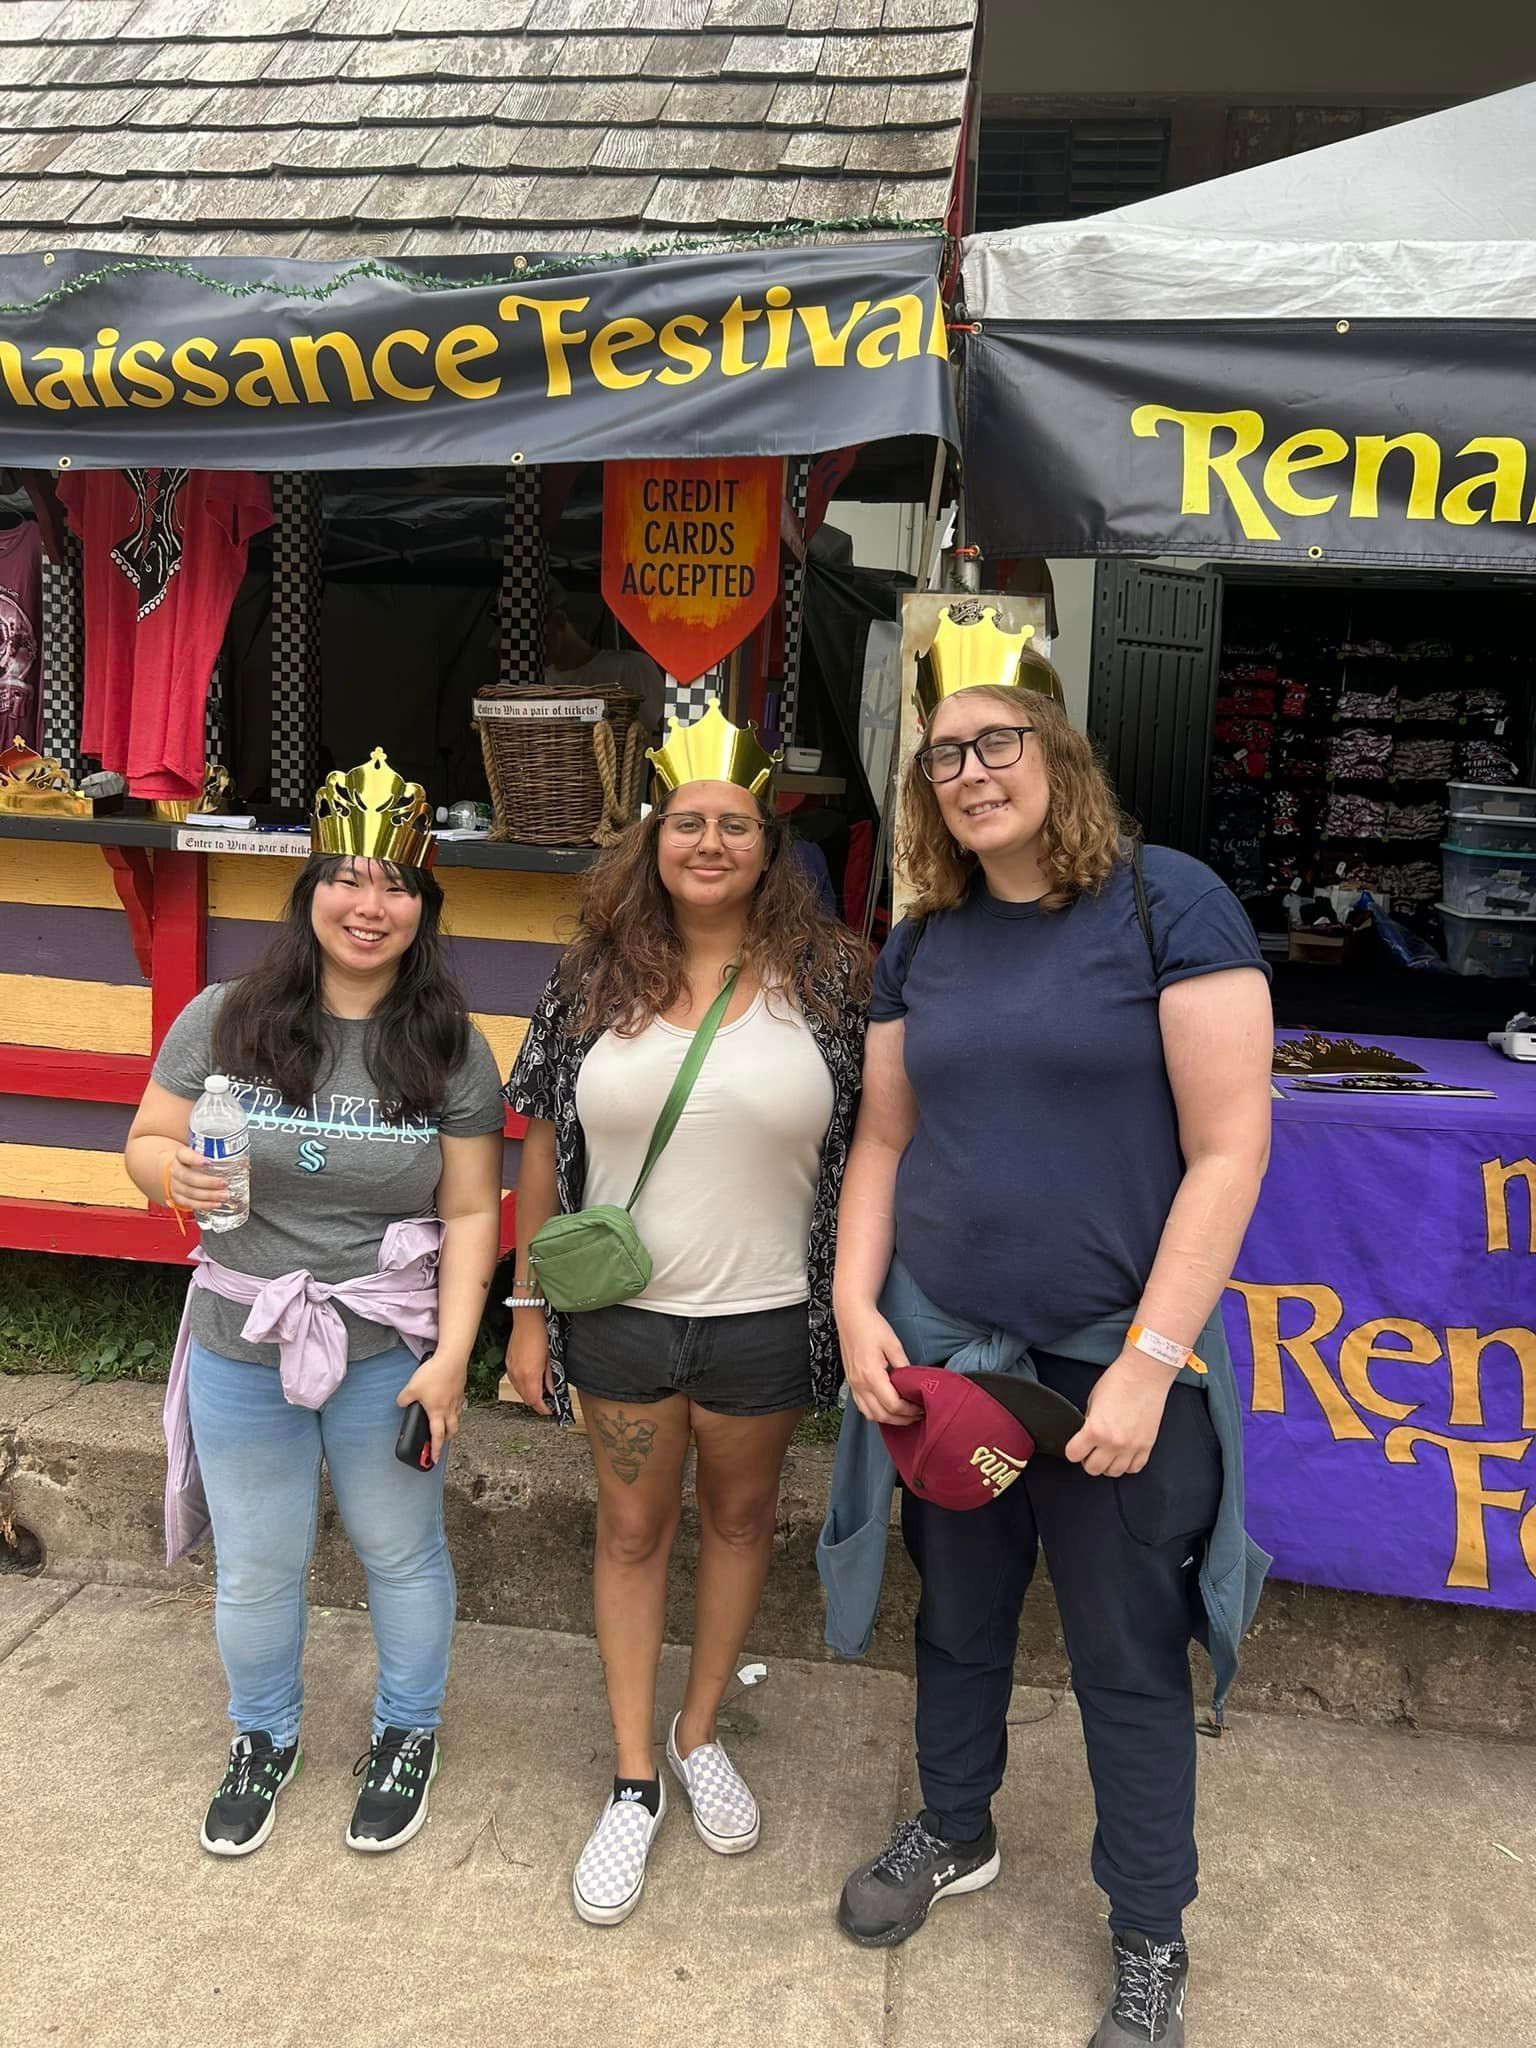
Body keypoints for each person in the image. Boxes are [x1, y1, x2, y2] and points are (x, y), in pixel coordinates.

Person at [831, 628, 1273, 2048]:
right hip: (949, 1357)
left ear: (1057, 749)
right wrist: (855, 1306)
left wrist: (1149, 1363)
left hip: (1110, 1360)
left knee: (1121, 1649)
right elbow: (886, 1137)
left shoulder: (1170, 905)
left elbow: (1229, 1150)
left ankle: (1149, 1932)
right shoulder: (924, 941)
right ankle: (955, 1829)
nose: (970, 774)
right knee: (955, 1615)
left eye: (996, 743)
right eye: (944, 755)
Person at [503, 699, 868, 1926]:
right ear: (653, 838)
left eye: (736, 824)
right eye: (688, 821)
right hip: (621, 1316)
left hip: (767, 1315)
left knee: (744, 1519)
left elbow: (878, 1148)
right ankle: (632, 1775)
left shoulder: (831, 980)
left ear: (771, 847)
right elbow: (542, 1142)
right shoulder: (587, 976)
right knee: (628, 1529)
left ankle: (702, 1725)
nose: (710, 841)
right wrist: (524, 1309)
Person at [124, 748, 504, 1861]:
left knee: (399, 1549)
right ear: (310, 891)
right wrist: (169, 1177)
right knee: (256, 1557)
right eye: (346, 877)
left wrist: (452, 1359)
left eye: (394, 884)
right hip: (243, 1331)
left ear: (424, 904)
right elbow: (146, 1138)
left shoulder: (449, 1044)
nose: (368, 903)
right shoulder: (226, 1016)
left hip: (389, 1340)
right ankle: (263, 1736)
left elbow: (475, 1213)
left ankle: (405, 1732)